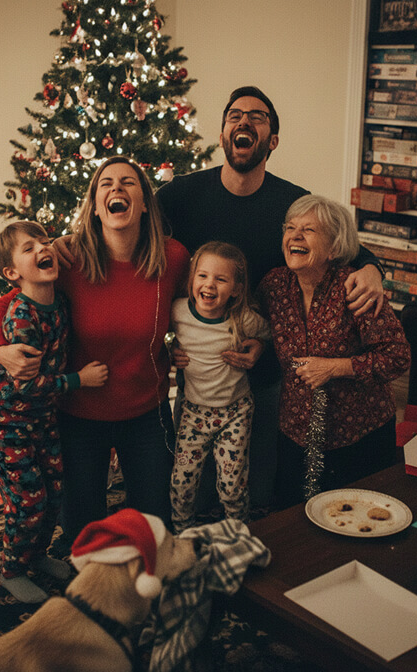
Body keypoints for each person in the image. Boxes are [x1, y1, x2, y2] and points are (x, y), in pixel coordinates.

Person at [154, 85, 386, 509]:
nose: (243, 121)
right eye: (234, 115)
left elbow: (340, 239)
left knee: (254, 486)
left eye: (257, 116)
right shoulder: (181, 195)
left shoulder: (291, 202)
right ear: (223, 134)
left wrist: (373, 267)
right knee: (193, 482)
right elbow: (127, 228)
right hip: (204, 372)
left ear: (272, 140)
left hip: (268, 370)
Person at [0, 157, 190, 539]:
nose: (117, 189)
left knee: (157, 526)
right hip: (78, 415)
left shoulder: (173, 257)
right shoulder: (66, 258)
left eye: (128, 183)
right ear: (95, 205)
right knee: (81, 531)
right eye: (106, 184)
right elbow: (5, 302)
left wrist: (187, 345)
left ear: (145, 201)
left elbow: (197, 306)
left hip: (147, 411)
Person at [0, 220, 108, 603]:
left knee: (54, 494)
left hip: (43, 419)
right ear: (12, 273)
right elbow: (25, 384)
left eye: (45, 240)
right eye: (28, 247)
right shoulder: (21, 317)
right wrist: (78, 381)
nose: (42, 248)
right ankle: (11, 570)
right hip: (8, 422)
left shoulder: (61, 302)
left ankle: (35, 556)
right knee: (27, 500)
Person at [257, 195, 411, 506]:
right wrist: (255, 345)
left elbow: (398, 355)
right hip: (295, 431)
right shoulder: (274, 286)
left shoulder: (356, 288)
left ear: (335, 248)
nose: (295, 236)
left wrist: (335, 367)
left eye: (309, 230)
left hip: (358, 436)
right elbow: (255, 325)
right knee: (292, 521)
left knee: (354, 521)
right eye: (290, 228)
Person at [169, 241, 270, 532]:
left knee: (231, 485)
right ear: (192, 279)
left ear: (236, 289)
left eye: (220, 279)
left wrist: (260, 345)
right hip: (193, 413)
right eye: (202, 276)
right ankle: (181, 533)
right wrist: (170, 351)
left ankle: (238, 533)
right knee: (182, 481)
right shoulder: (178, 312)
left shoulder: (244, 319)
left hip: (235, 414)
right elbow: (150, 336)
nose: (209, 285)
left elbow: (271, 335)